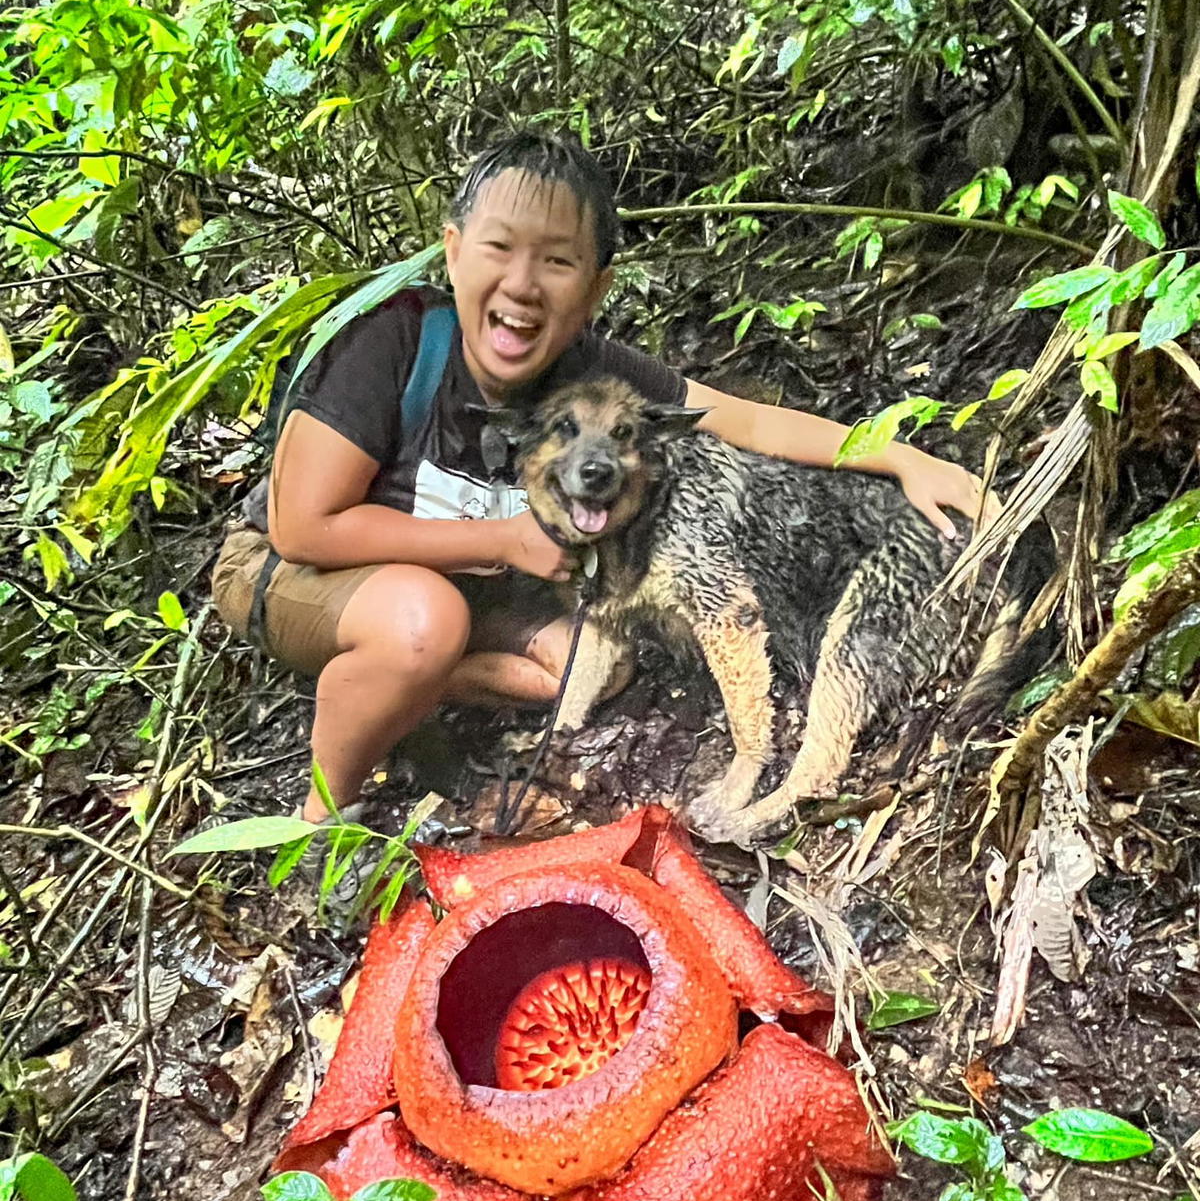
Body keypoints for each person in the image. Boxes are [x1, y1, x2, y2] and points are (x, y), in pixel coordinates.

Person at [212, 131, 989, 825]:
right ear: (452, 252)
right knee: (422, 620)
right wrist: (507, 541)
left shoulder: (589, 371)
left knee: (592, 664)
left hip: (455, 581)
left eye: (556, 260)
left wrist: (897, 454)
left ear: (595, 287)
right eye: (498, 249)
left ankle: (407, 688)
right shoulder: (389, 347)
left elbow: (742, 421)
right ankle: (324, 818)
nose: (523, 284)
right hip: (295, 570)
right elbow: (304, 525)